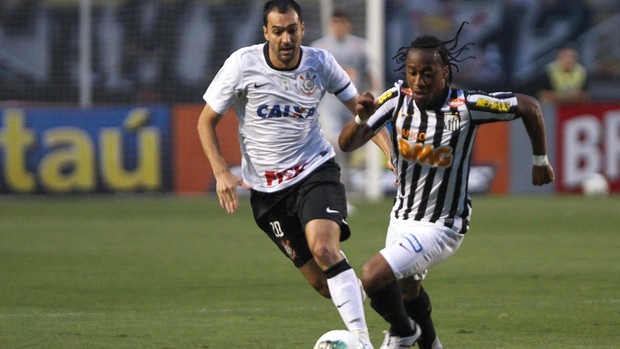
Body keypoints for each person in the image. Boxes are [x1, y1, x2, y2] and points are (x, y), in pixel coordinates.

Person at [338, 24, 555, 349]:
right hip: (402, 217)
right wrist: (360, 119)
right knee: (408, 290)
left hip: (443, 224)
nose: (419, 80)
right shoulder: (396, 99)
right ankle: (430, 342)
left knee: (373, 276)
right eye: (412, 72)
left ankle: (403, 331)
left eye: (428, 72)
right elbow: (347, 144)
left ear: (445, 73)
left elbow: (528, 106)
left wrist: (540, 160)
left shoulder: (466, 106)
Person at [196, 1, 391, 348]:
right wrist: (222, 172)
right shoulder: (243, 64)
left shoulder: (320, 62)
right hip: (267, 194)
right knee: (322, 283)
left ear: (302, 29)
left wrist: (390, 154)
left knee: (324, 248)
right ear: (265, 32)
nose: (286, 38)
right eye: (278, 31)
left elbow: (364, 113)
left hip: (314, 170)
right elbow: (206, 120)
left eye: (292, 30)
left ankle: (362, 341)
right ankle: (396, 310)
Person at [311, 10, 381, 193]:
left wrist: (375, 91)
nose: (339, 26)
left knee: (350, 146)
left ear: (348, 25)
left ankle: (346, 185)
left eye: (342, 22)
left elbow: (371, 71)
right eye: (335, 23)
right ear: (330, 25)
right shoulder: (319, 47)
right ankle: (338, 187)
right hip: (329, 106)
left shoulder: (359, 46)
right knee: (335, 144)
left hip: (353, 105)